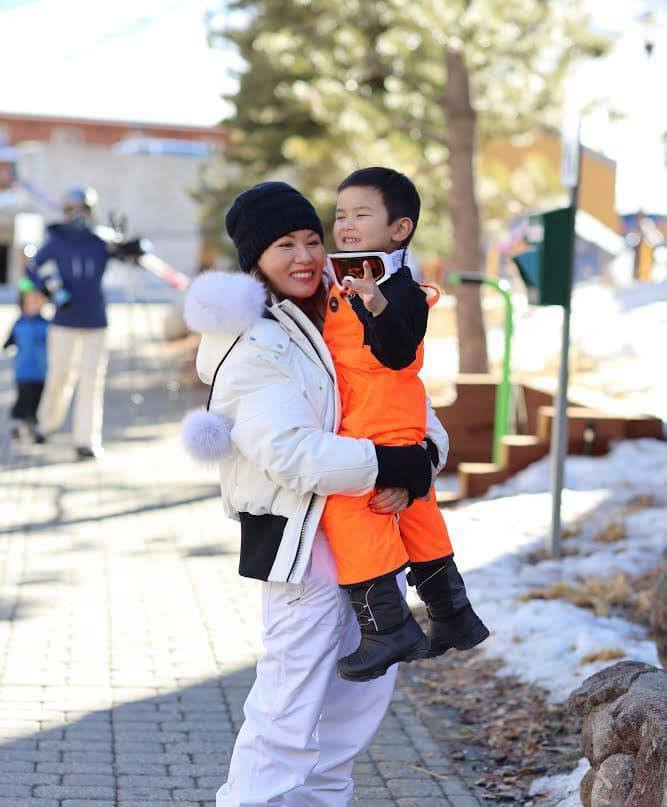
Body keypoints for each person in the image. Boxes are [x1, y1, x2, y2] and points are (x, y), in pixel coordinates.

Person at [181, 181, 450, 807]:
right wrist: (394, 464)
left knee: (356, 705)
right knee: (289, 705)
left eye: (311, 240)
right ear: (255, 259)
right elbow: (293, 454)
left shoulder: (343, 307)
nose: (304, 256)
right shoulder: (251, 341)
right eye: (284, 245)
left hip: (369, 537)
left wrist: (422, 460)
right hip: (303, 545)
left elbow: (408, 404)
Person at [322, 167, 489, 682]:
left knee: (355, 511)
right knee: (418, 515)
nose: (346, 224)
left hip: (384, 419)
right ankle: (453, 614)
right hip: (374, 416)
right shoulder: (339, 280)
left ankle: (388, 628)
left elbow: (397, 352)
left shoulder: (401, 289)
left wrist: (374, 304)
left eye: (361, 214)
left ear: (399, 229)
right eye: (340, 215)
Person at [26, 186, 141, 459]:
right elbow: (31, 268)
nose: (78, 215)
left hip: (95, 321)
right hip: (64, 320)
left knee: (91, 381)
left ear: (91, 212)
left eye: (84, 210)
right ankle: (46, 424)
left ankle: (86, 440)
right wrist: (49, 289)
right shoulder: (56, 240)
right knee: (59, 375)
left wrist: (130, 245)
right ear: (65, 211)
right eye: (73, 209)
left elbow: (131, 256)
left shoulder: (101, 240)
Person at [3, 277, 48, 440]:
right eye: (28, 303)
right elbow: (9, 341)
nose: (31, 306)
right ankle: (18, 425)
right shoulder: (19, 324)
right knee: (23, 399)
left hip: (41, 372)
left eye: (35, 302)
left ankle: (36, 428)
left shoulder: (46, 325)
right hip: (22, 371)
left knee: (38, 401)